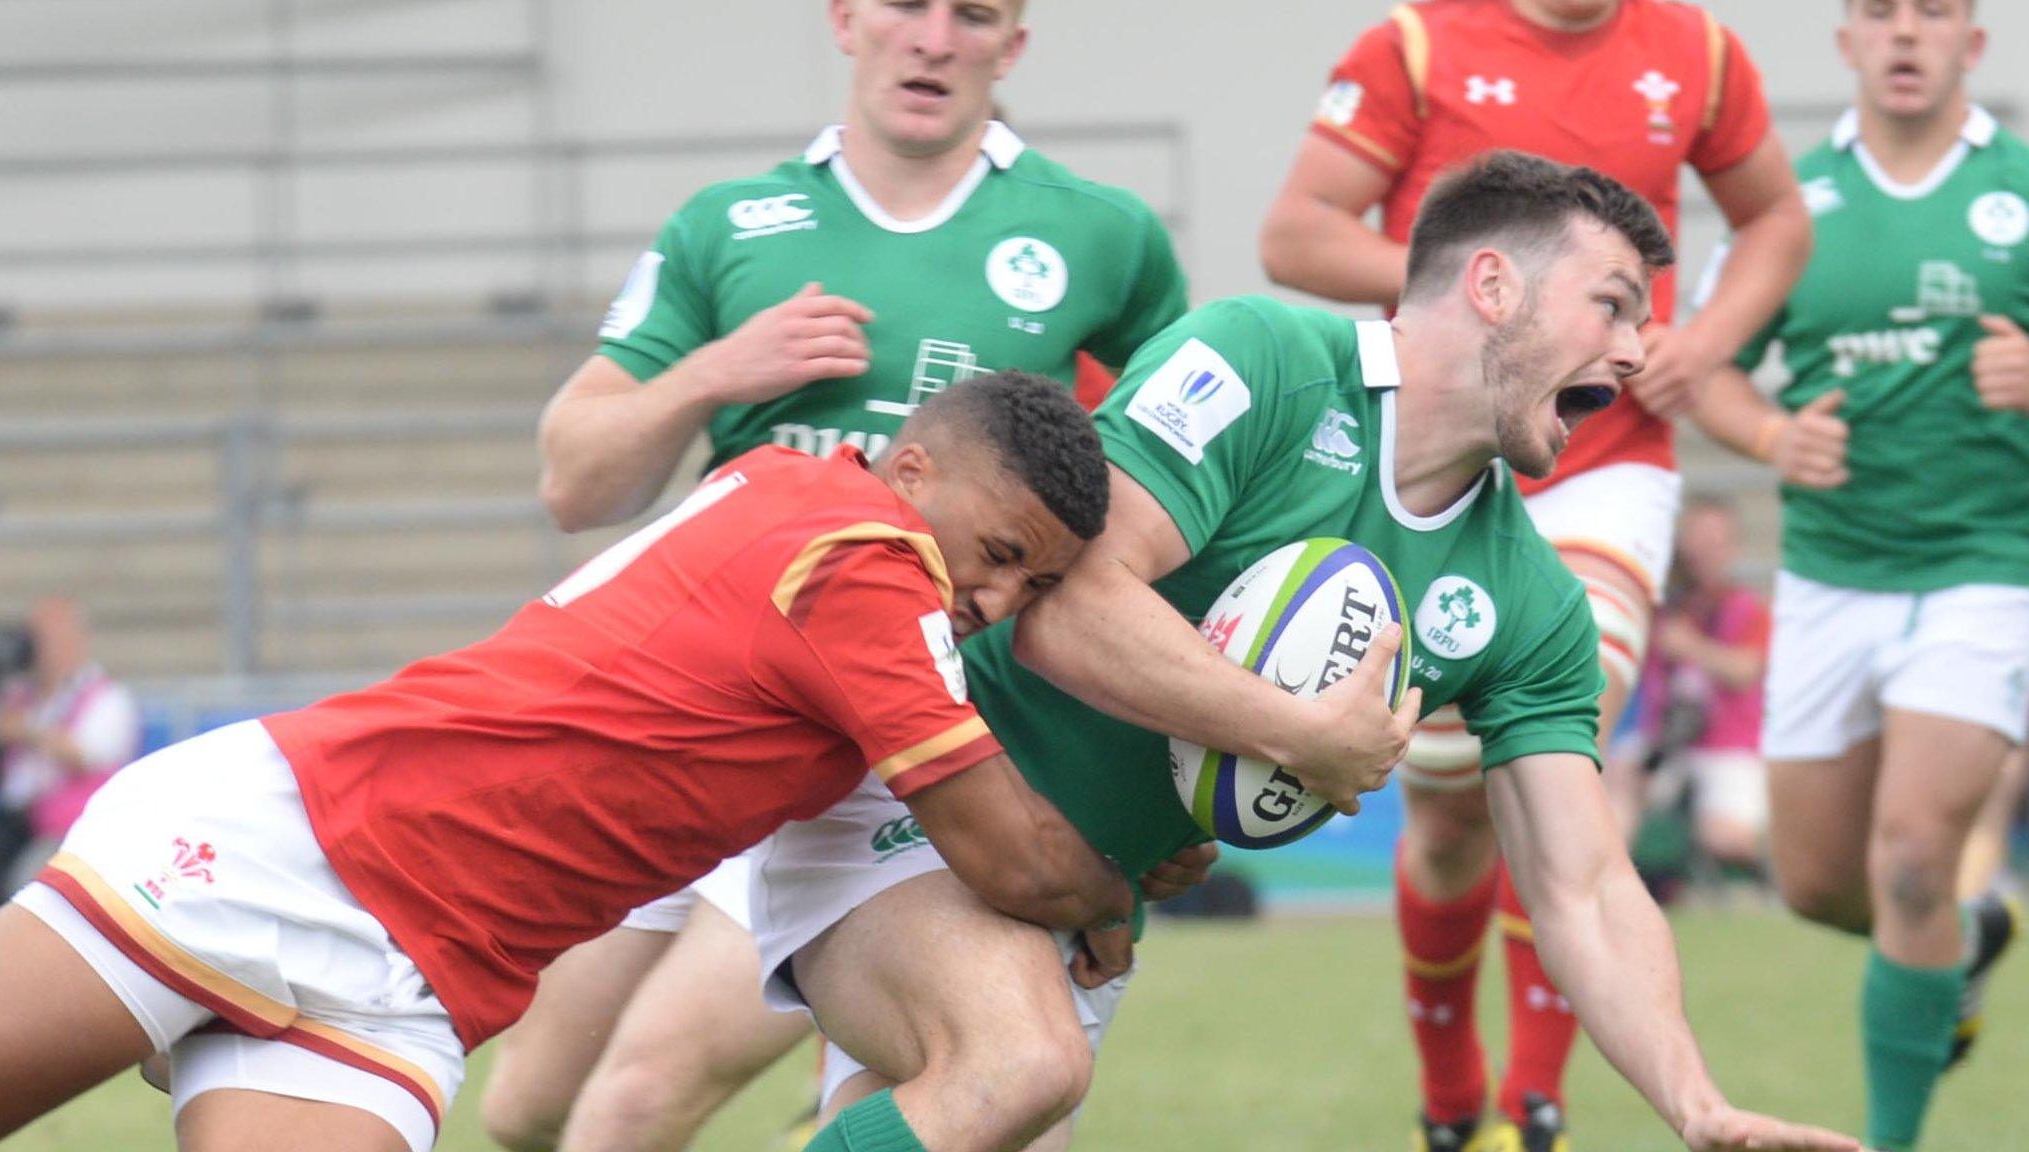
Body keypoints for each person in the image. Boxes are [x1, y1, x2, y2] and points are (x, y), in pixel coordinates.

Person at [762, 152, 1855, 1152]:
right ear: (1490, 287)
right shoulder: (1261, 359)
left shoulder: (1530, 600)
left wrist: (1692, 1103)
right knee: (1002, 1065)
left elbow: (1582, 888)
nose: (1634, 348)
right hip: (922, 798)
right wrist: (1303, 738)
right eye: (1611, 305)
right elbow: (1066, 609)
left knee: (946, 1106)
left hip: (1084, 903)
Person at [0, 373, 1137, 1152]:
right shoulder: (863, 561)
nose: (994, 600)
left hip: (412, 987)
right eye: (995, 555)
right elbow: (1017, 864)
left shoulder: (789, 490)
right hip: (296, 849)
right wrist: (1112, 887)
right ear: (914, 470)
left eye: (1033, 586)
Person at [483, 1, 1193, 1148]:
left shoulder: (1102, 236)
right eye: (906, 5)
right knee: (529, 1107)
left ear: (1012, 46)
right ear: (847, 19)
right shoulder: (732, 226)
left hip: (906, 752)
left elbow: (1156, 508)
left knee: (677, 1095)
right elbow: (573, 482)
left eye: (974, 15)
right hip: (712, 719)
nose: (933, 38)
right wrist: (714, 372)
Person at [1256, 3, 1811, 1147]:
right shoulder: (1414, 43)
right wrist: (1498, 289)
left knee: (1563, 751)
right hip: (1440, 457)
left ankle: (1532, 1102)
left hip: (1607, 466)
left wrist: (1697, 344)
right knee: (1454, 814)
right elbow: (1295, 235)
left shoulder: (1695, 50)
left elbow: (1775, 221)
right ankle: (1452, 1086)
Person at [1689, 2, 2026, 1147]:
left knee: (1912, 857)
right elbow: (1708, 370)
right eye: (1877, 10)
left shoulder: (2019, 188)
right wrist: (1772, 440)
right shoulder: (1785, 210)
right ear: (1843, 40)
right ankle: (1965, 943)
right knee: (1821, 886)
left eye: (1932, 11)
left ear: (1969, 44)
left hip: (1986, 570)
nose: (1903, 32)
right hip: (1829, 575)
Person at [1633, 497, 1771, 875]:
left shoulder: (1748, 609)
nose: (1704, 551)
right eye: (1697, 538)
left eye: (1715, 540)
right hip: (1661, 738)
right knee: (1618, 788)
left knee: (1728, 841)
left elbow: (1745, 669)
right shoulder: (1660, 603)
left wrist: (1691, 647)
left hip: (1727, 743)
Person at [0, 597, 140, 911]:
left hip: (73, 834)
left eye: (51, 638)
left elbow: (91, 751)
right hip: (12, 826)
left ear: (78, 640)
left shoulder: (107, 698)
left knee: (27, 889)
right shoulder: (17, 695)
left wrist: (27, 731)